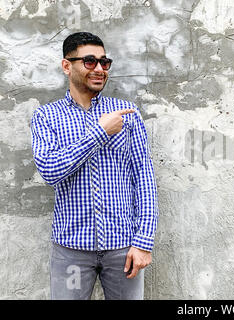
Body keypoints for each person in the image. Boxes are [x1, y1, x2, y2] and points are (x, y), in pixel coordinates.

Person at [30, 32, 159, 300]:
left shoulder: (127, 113)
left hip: (123, 249)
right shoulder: (47, 116)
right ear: (67, 65)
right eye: (89, 61)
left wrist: (143, 242)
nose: (99, 69)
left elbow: (144, 180)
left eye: (104, 62)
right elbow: (50, 171)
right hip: (71, 250)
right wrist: (100, 132)